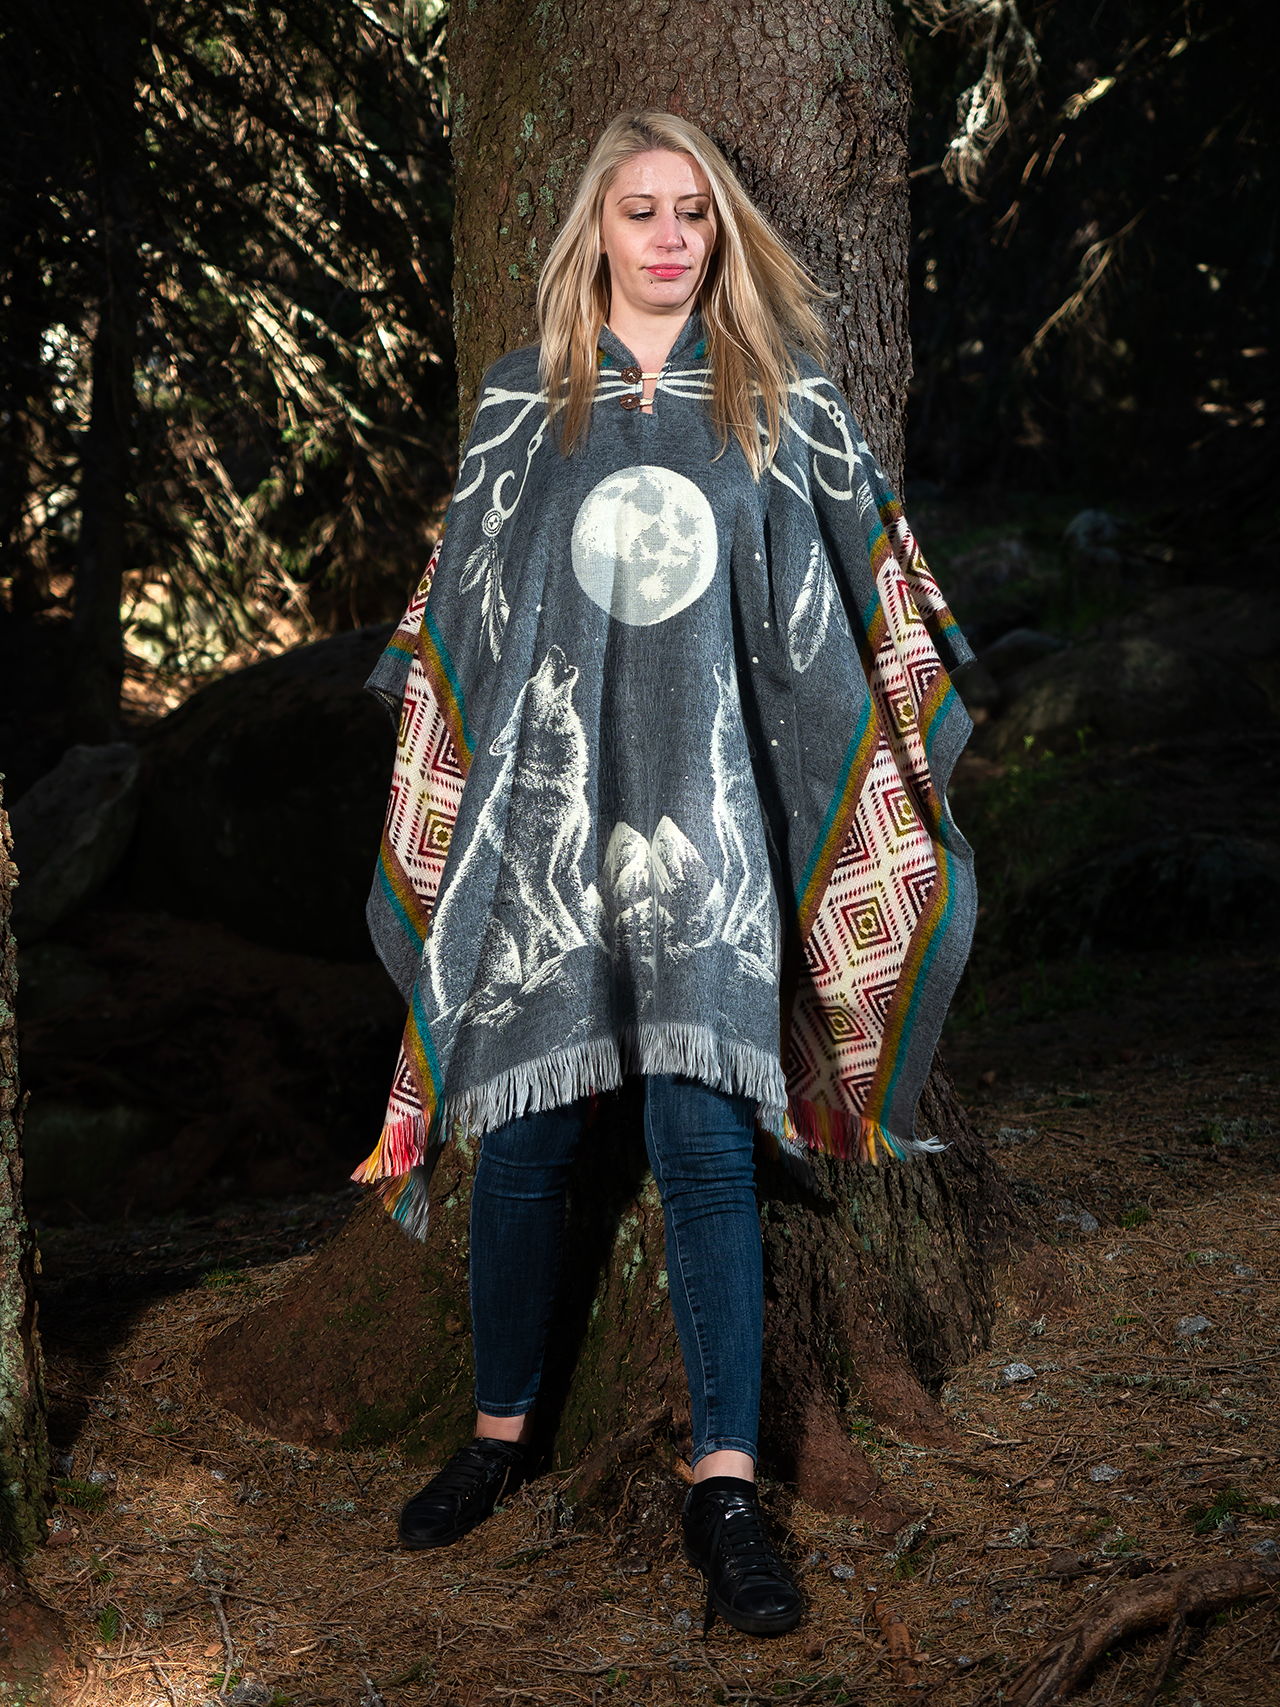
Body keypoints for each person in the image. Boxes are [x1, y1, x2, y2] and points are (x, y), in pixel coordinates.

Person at [352, 111, 976, 1637]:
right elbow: (469, 622)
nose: (671, 237)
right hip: (550, 837)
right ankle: (498, 1434)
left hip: (714, 838)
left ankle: (726, 1489)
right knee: (527, 1139)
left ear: (720, 231)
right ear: (597, 230)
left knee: (704, 1143)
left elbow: (850, 605)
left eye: (694, 211)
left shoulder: (780, 399)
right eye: (641, 210)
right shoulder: (525, 405)